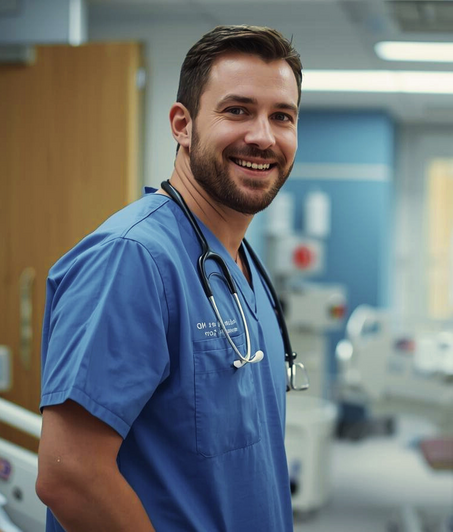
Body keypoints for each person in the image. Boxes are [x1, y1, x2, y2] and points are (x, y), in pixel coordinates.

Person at [35, 25, 302, 531]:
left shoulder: (240, 263)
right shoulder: (132, 259)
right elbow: (69, 474)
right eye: (237, 110)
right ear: (182, 124)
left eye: (281, 117)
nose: (263, 137)